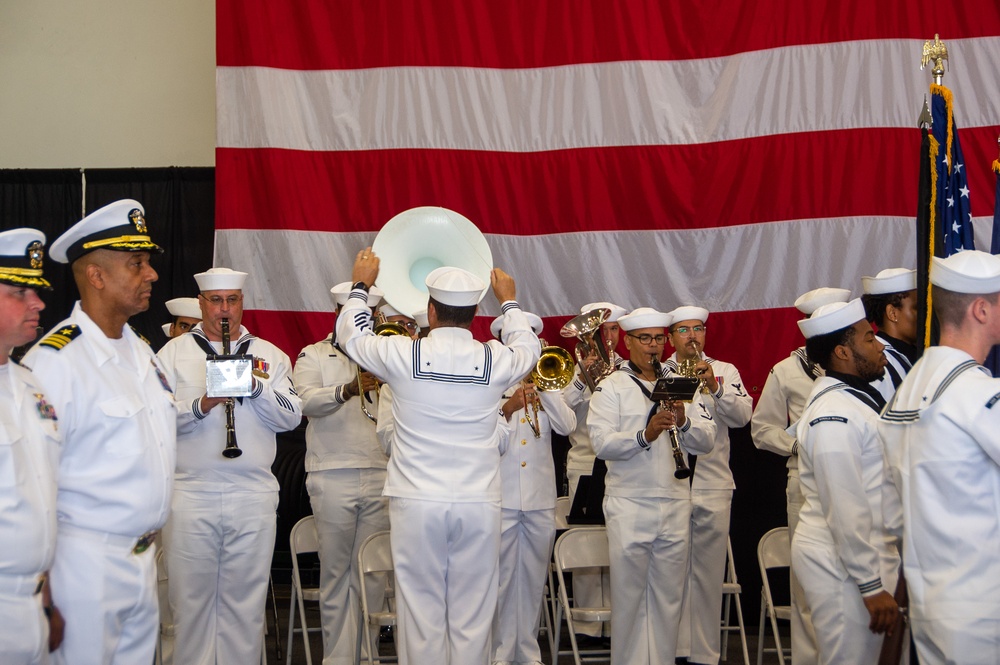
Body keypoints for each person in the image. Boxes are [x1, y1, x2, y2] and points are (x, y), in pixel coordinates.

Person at [336, 248, 540, 665]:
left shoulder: (402, 355)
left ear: (430, 310)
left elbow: (351, 338)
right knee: (474, 614)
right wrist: (510, 301)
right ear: (475, 312)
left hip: (417, 502)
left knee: (420, 612)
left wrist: (361, 286)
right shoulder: (495, 357)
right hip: (479, 503)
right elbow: (529, 346)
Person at [21, 199, 176, 665]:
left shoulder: (144, 353)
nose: (150, 274)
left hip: (143, 560)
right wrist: (41, 592)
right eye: (137, 263)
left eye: (147, 263)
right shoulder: (56, 361)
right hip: (83, 566)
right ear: (96, 276)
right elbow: (30, 480)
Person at [157, 267, 302, 665]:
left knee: (245, 608)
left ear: (242, 303)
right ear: (202, 303)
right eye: (216, 300)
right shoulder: (172, 354)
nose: (225, 309)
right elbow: (153, 419)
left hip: (252, 494)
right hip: (191, 494)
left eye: (232, 300)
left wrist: (255, 388)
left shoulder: (269, 355)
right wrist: (200, 405)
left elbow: (291, 416)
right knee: (190, 607)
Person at [878, 250, 1000, 662]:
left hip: (933, 600)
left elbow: (892, 514)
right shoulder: (975, 394)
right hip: (984, 605)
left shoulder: (905, 393)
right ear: (981, 310)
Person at [588, 307, 716, 664]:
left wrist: (684, 421)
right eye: (645, 339)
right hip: (629, 503)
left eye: (659, 338)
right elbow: (601, 443)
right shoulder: (611, 386)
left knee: (668, 600)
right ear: (627, 342)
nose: (654, 346)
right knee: (628, 599)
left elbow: (707, 440)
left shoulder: (681, 381)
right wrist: (646, 435)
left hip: (675, 502)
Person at [790, 298, 899, 663]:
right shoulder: (833, 413)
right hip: (843, 565)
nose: (880, 345)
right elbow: (844, 504)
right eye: (869, 339)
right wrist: (870, 585)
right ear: (842, 352)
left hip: (862, 556)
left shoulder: (854, 399)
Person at [749, 286, 850, 665]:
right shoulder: (787, 371)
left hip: (855, 483)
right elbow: (761, 429)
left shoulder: (866, 366)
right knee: (807, 589)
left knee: (855, 581)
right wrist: (798, 444)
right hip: (806, 484)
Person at [293, 281, 391, 665]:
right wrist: (348, 389)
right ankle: (338, 660)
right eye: (360, 316)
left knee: (371, 573)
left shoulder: (387, 354)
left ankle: (366, 657)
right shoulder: (313, 354)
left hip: (380, 470)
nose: (368, 324)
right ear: (341, 314)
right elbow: (303, 402)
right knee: (336, 572)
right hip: (332, 473)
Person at [666, 306, 752, 665]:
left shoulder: (725, 370)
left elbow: (743, 416)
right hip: (669, 485)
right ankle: (675, 650)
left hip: (713, 484)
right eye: (683, 330)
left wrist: (714, 386)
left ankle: (704, 655)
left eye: (698, 329)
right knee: (671, 573)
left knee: (708, 574)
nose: (692, 336)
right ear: (671, 337)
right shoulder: (659, 370)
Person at [490, 313, 576, 665]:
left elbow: (568, 425)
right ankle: (498, 654)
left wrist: (545, 387)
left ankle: (527, 653)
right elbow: (484, 436)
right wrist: (509, 406)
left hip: (539, 498)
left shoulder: (549, 379)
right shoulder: (493, 381)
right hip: (503, 497)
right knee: (500, 581)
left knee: (532, 580)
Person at [0, 229, 63, 664]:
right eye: (20, 291)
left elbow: (42, 496)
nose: (37, 303)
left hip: (31, 598)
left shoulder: (27, 383)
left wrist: (46, 598)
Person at [561, 300, 625, 644]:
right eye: (603, 331)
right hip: (585, 463)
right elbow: (561, 412)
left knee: (617, 542)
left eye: (614, 329)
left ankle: (619, 621)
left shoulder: (630, 368)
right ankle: (587, 626)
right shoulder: (572, 369)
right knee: (587, 546)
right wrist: (584, 378)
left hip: (623, 465)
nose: (609, 336)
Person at [861, 268, 919, 402]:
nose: (925, 315)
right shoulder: (879, 362)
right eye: (917, 308)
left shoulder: (909, 352)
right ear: (892, 313)